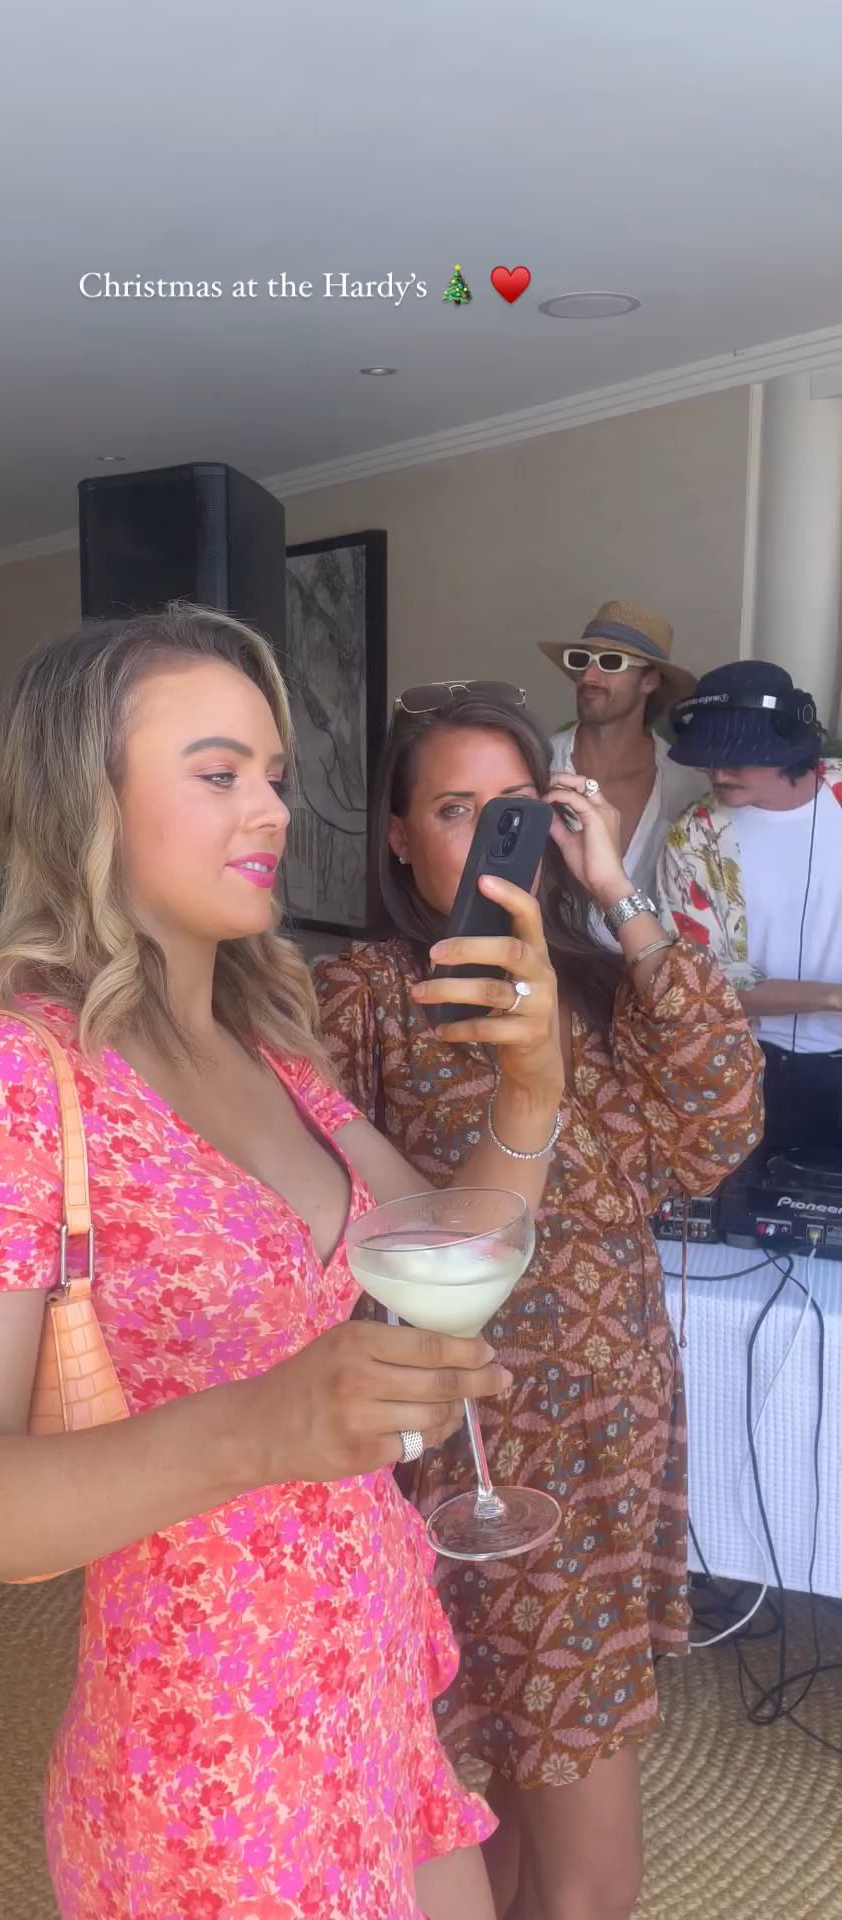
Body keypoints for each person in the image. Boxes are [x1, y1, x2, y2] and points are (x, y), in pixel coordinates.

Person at [0, 606, 567, 1920]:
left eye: (275, 775)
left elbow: (452, 1245)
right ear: (88, 804)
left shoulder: (274, 1054)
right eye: (218, 774)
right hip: (210, 1756)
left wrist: (531, 1087)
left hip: (369, 1676)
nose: (272, 812)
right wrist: (263, 1425)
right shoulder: (12, 1078)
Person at [313, 681, 763, 1920]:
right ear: (399, 835)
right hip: (465, 1444)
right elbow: (321, 1210)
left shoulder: (600, 983)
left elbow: (722, 1120)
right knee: (510, 1800)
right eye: (455, 810)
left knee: (552, 1800)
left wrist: (617, 892)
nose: (489, 840)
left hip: (610, 1431)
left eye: (517, 810)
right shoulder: (365, 993)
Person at [658, 659, 842, 1155]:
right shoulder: (693, 839)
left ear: (791, 740)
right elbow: (704, 987)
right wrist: (832, 997)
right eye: (709, 756)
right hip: (749, 1066)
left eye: (738, 756)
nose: (719, 772)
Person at [543, 601, 706, 943]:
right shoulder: (539, 764)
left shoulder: (687, 786)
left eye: (611, 662)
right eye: (582, 660)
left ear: (650, 680)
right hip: (549, 968)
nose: (589, 677)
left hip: (649, 967)